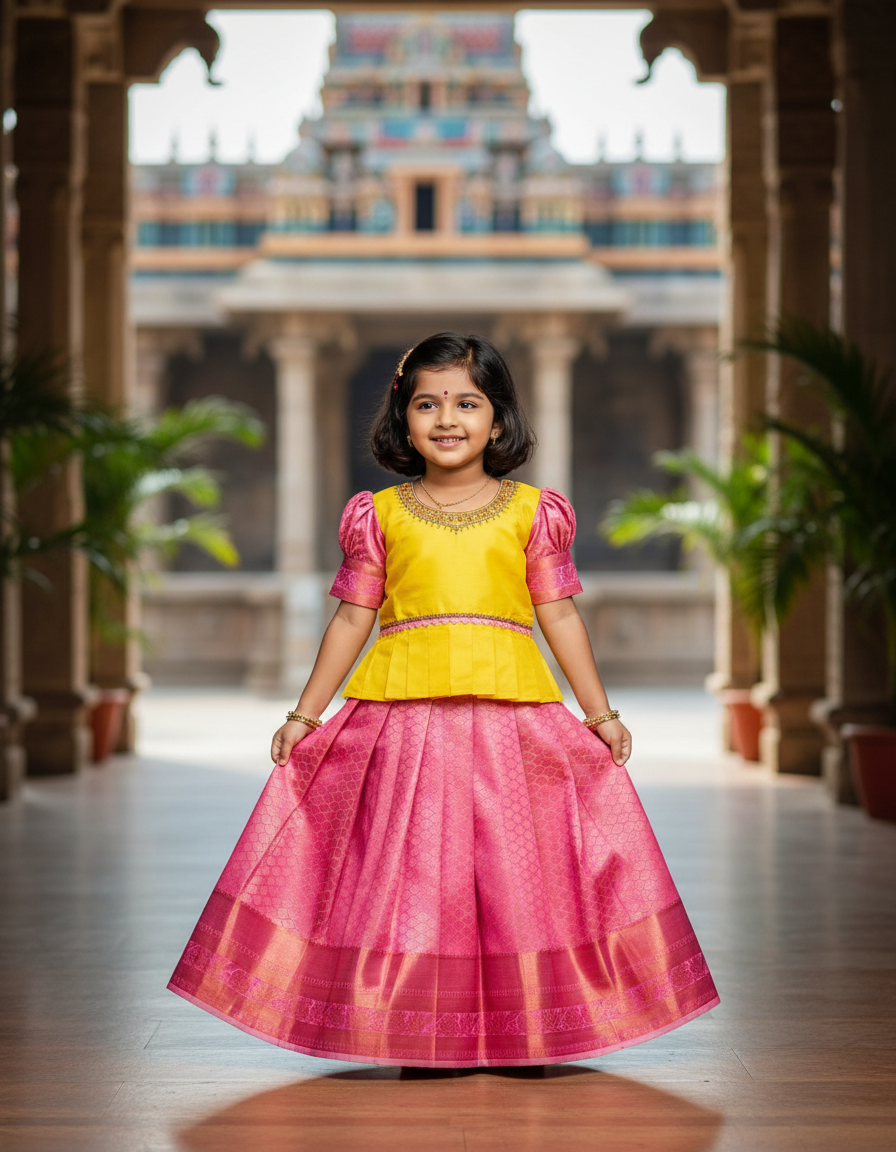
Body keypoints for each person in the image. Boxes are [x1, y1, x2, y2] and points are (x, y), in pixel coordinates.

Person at [168, 332, 719, 1069]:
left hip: (514, 718)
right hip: (404, 721)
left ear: (500, 420)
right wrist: (305, 715)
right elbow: (354, 617)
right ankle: (418, 1025)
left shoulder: (533, 512)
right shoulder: (380, 514)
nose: (448, 418)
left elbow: (557, 613)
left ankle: (529, 1024)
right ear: (403, 418)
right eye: (427, 403)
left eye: (468, 402)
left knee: (518, 876)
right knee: (415, 879)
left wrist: (599, 713)